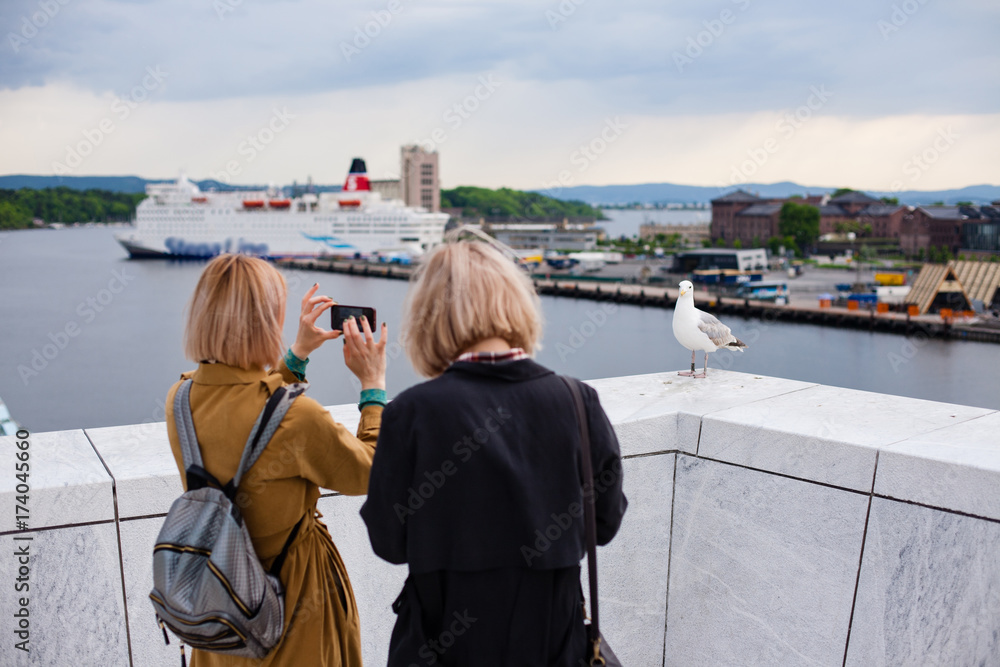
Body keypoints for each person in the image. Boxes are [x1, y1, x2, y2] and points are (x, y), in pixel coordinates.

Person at [360, 241, 627, 666]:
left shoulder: (411, 414)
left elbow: (389, 542)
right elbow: (605, 524)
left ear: (430, 317)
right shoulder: (579, 402)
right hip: (552, 645)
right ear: (515, 303)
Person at [164, 254, 387, 666]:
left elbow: (253, 418)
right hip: (291, 615)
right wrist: (373, 388)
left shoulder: (180, 399)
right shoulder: (300, 417)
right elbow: (373, 471)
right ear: (266, 322)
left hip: (220, 613)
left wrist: (297, 356)